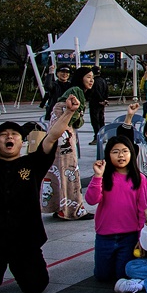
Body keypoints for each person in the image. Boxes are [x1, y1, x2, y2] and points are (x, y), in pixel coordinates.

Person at [0, 86, 76, 293]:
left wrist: (68, 112)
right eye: (3, 135)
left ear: (22, 142)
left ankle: (18, 267)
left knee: (35, 286)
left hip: (25, 240)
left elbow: (51, 138)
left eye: (14, 135)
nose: (9, 138)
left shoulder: (33, 163)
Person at [87, 135, 147, 283]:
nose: (121, 155)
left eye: (125, 151)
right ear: (107, 155)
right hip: (105, 236)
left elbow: (144, 210)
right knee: (102, 276)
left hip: (128, 237)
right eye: (115, 152)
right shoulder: (104, 177)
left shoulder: (139, 179)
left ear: (132, 153)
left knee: (122, 275)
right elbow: (91, 200)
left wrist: (141, 237)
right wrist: (98, 176)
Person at [41, 82, 89, 220]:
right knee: (68, 173)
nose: (91, 80)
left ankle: (59, 207)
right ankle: (71, 209)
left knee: (57, 175)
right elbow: (75, 121)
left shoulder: (59, 104)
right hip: (64, 146)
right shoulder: (70, 100)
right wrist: (72, 111)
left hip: (56, 146)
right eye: (89, 77)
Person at [79, 66, 108, 142]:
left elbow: (95, 92)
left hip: (95, 102)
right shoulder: (103, 80)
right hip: (102, 104)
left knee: (95, 120)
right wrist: (104, 100)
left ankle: (97, 137)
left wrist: (100, 100)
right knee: (101, 119)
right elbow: (106, 91)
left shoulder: (93, 81)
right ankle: (103, 136)